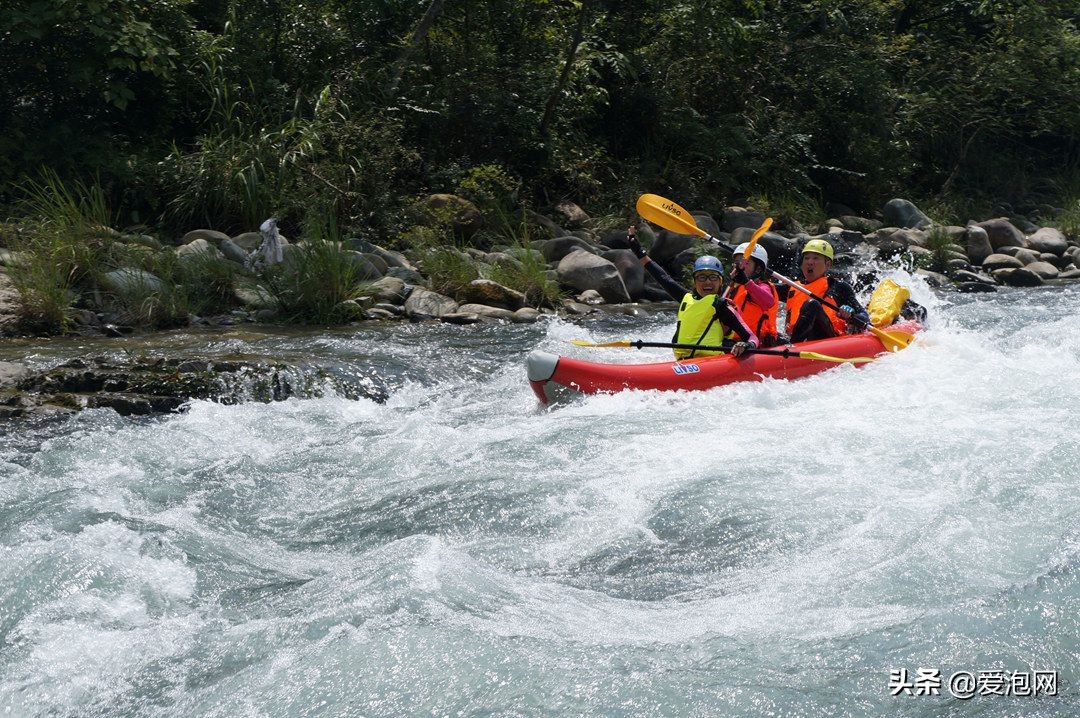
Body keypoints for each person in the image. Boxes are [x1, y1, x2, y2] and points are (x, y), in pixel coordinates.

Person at [626, 226, 758, 359]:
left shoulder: (722, 307)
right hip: (684, 363)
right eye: (702, 277)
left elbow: (752, 337)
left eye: (713, 277)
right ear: (695, 282)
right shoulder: (686, 298)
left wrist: (746, 345)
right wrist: (638, 252)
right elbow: (662, 277)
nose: (707, 282)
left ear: (720, 282)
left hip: (710, 364)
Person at [786, 239, 870, 343]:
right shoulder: (792, 286)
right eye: (806, 258)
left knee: (812, 304)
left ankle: (792, 348)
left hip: (827, 337)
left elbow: (864, 317)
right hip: (796, 337)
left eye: (816, 258)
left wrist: (851, 314)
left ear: (828, 264)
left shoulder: (838, 287)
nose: (810, 262)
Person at [728, 242, 780, 347]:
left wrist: (747, 282)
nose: (740, 266)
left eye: (746, 263)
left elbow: (768, 302)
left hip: (756, 345)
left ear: (758, 269)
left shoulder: (763, 286)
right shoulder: (733, 288)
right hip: (732, 342)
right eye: (737, 262)